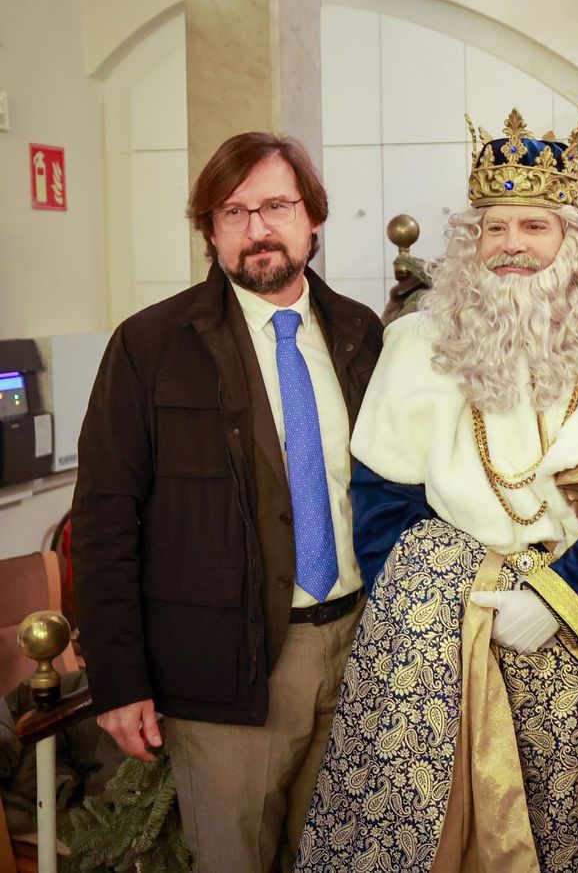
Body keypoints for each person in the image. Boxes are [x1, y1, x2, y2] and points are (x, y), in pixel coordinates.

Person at [295, 110, 578, 872]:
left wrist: (555, 600)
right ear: (470, 243)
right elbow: (383, 502)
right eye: (493, 228)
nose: (512, 245)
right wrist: (450, 596)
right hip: (451, 640)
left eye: (533, 225)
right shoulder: (419, 343)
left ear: (572, 243)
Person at [70, 132, 383, 872]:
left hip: (359, 646)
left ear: (313, 217)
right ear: (209, 231)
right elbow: (106, 517)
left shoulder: (361, 334)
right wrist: (119, 678)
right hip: (226, 667)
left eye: (276, 205)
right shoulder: (150, 348)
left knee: (342, 858)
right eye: (233, 211)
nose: (257, 228)